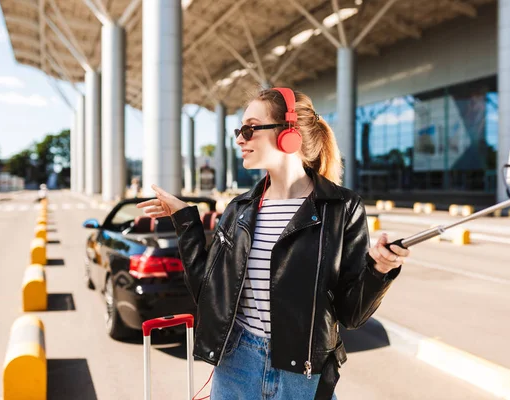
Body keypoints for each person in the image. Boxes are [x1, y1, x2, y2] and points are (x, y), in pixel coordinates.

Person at [137, 88, 410, 400]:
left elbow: (351, 314)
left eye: (250, 129)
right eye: (240, 131)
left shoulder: (341, 207)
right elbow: (208, 292)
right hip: (236, 362)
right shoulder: (239, 210)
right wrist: (185, 219)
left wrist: (380, 269)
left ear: (288, 134)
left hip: (303, 375)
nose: (240, 139)